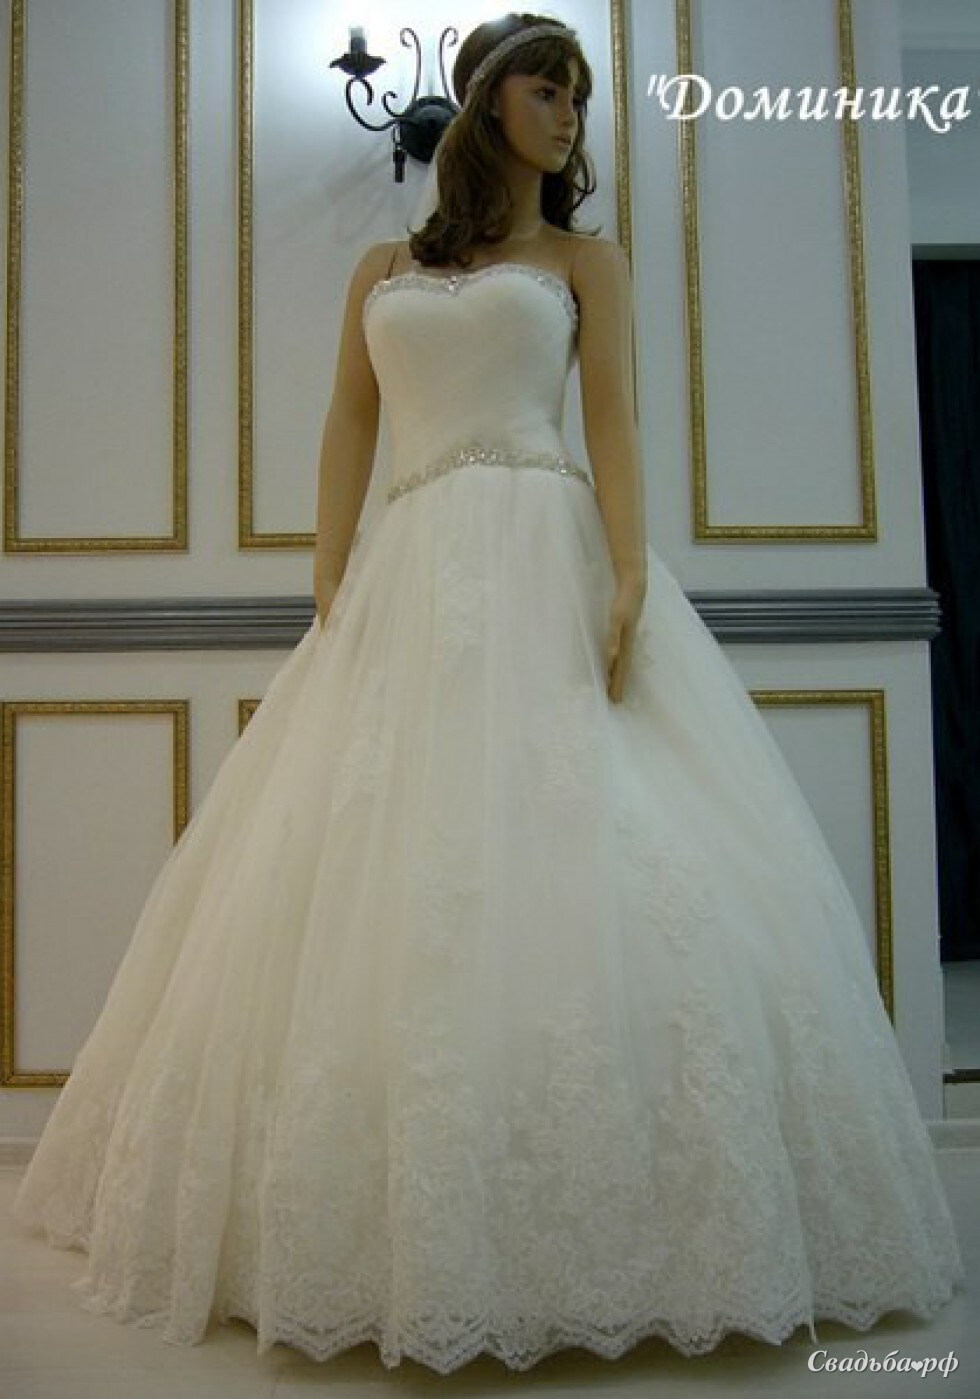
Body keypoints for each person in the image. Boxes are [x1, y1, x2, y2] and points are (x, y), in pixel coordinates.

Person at [11, 11, 965, 1376]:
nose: (571, 116)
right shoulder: (380, 269)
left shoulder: (585, 262)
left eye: (579, 96)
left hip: (543, 553)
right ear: (484, 104)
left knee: (586, 854)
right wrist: (326, 576)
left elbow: (612, 420)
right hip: (409, 571)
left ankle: (616, 1229)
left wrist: (626, 570)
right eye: (548, 90)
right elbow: (349, 420)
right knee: (382, 871)